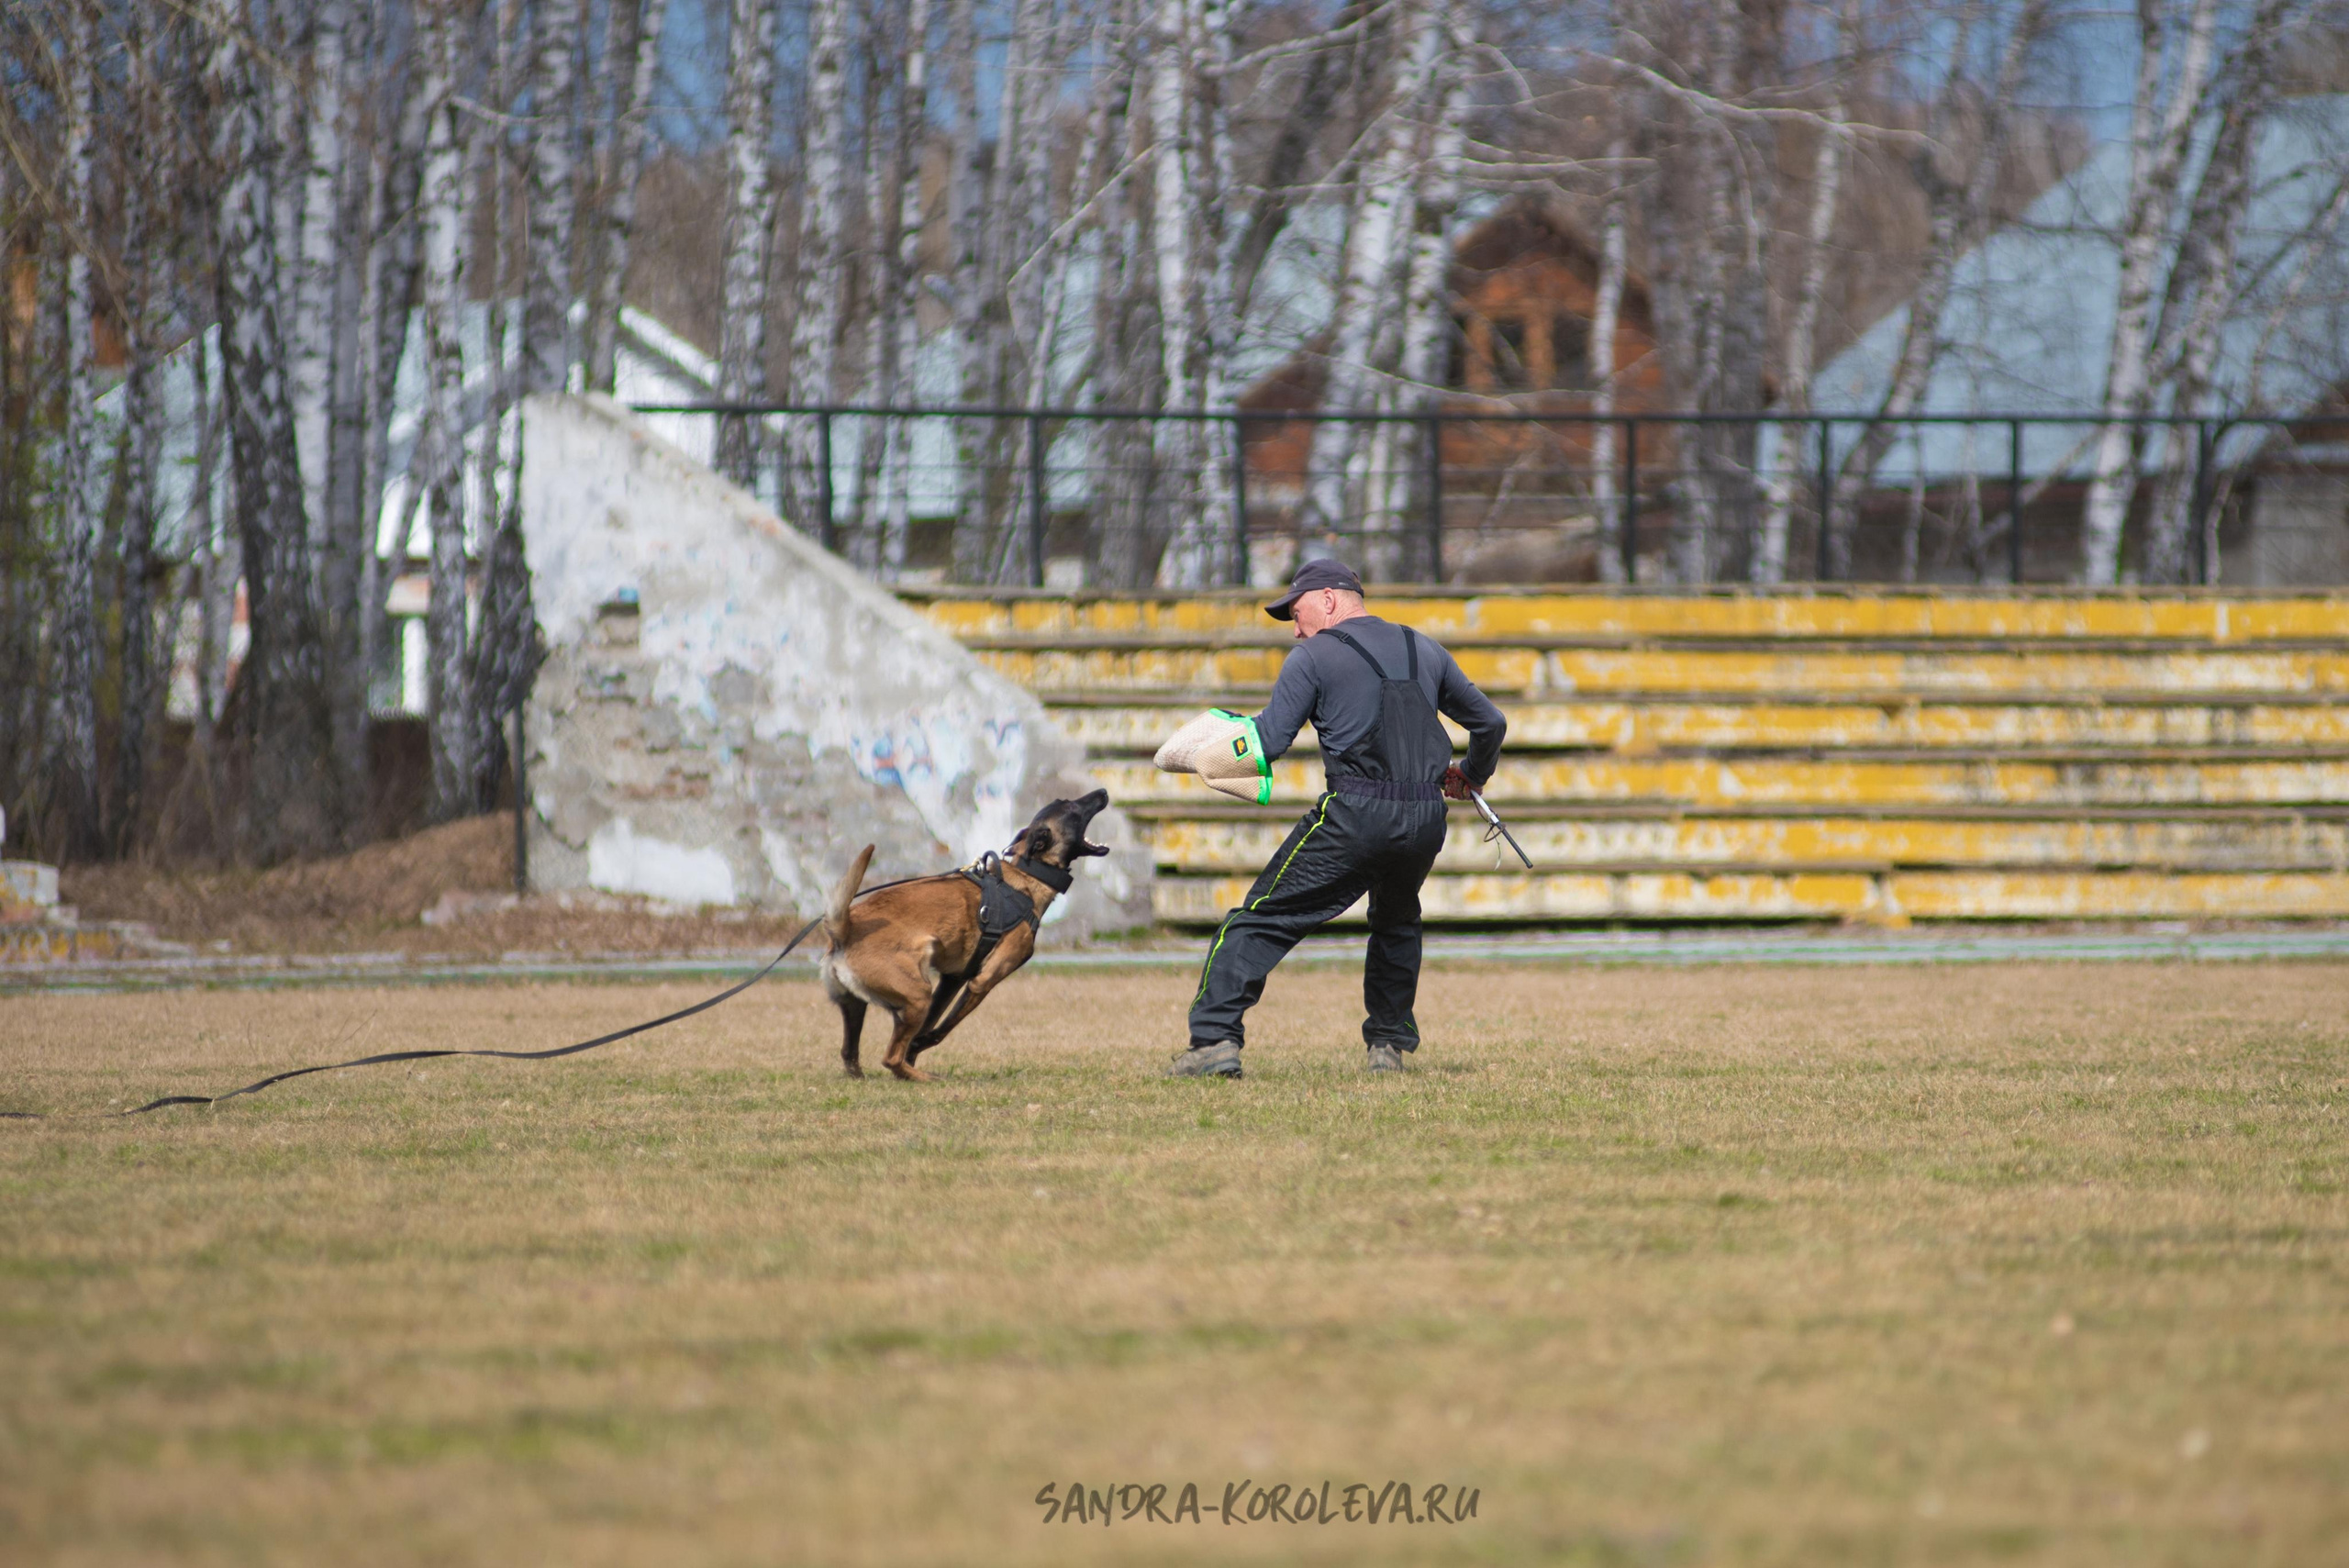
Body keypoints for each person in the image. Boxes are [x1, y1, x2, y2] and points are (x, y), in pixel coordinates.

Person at [1168, 558, 1508, 1079]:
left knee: (1262, 917)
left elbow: (1271, 741)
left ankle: (1213, 1040)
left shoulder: (1313, 656)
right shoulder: (1425, 647)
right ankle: (1388, 1046)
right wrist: (1472, 774)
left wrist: (1204, 748)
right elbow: (1490, 721)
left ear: (1328, 599)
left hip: (1357, 812)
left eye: (1297, 612)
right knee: (1397, 919)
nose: (1296, 628)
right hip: (1424, 818)